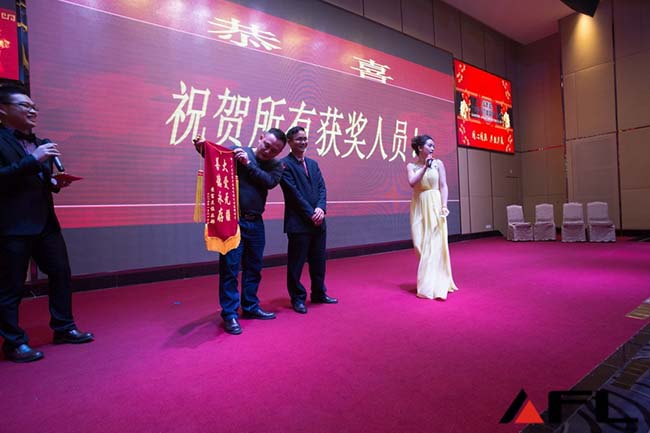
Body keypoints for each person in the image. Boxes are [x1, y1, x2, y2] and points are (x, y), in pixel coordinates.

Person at [0, 84, 94, 363]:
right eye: (24, 106)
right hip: (11, 226)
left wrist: (54, 182)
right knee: (10, 286)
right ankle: (14, 343)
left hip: (45, 223)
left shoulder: (42, 142)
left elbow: (36, 179)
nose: (32, 111)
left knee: (61, 275)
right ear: (2, 110)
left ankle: (64, 328)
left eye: (34, 107)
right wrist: (33, 159)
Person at [194, 128, 286, 335]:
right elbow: (216, 158)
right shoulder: (238, 151)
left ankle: (251, 307)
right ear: (261, 137)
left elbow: (269, 182)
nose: (268, 151)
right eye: (267, 145)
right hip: (233, 221)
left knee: (254, 268)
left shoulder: (276, 165)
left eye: (274, 150)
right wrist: (202, 148)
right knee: (230, 268)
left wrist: (248, 164)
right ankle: (230, 314)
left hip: (256, 223)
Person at [280, 126, 337, 314]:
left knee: (318, 260)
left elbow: (322, 188)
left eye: (305, 138)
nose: (303, 142)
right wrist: (311, 213)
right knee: (296, 264)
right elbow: (294, 194)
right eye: (299, 139)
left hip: (319, 222)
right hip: (299, 223)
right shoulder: (284, 165)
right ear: (289, 142)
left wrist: (321, 208)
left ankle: (319, 293)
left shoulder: (313, 163)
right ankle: (297, 298)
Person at [407, 134, 458, 300]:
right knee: (420, 244)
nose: (433, 148)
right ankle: (429, 278)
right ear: (420, 148)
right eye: (429, 145)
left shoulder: (438, 164)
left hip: (435, 204)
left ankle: (433, 284)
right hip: (419, 206)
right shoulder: (411, 166)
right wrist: (424, 168)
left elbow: (443, 186)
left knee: (435, 243)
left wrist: (444, 205)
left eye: (433, 146)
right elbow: (412, 182)